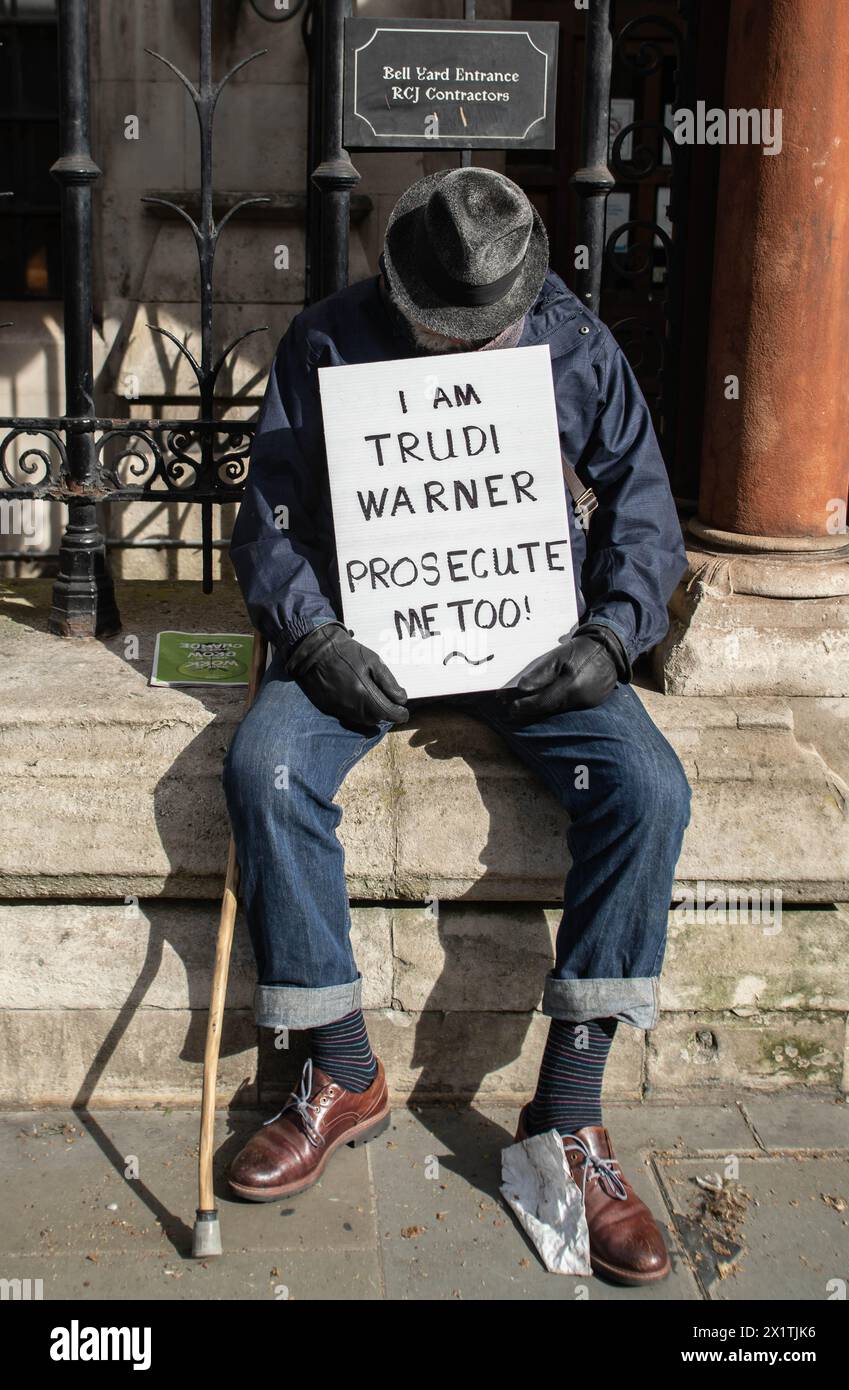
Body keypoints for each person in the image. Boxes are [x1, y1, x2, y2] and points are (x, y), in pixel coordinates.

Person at [222, 167, 691, 1285]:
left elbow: (643, 509)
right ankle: (342, 1071)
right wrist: (316, 637)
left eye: (482, 330)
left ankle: (566, 1112)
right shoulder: (327, 339)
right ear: (402, 291)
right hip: (362, 645)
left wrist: (611, 638)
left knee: (650, 787)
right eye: (442, 328)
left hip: (530, 648)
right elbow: (270, 514)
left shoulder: (576, 344)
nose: (461, 343)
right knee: (267, 767)